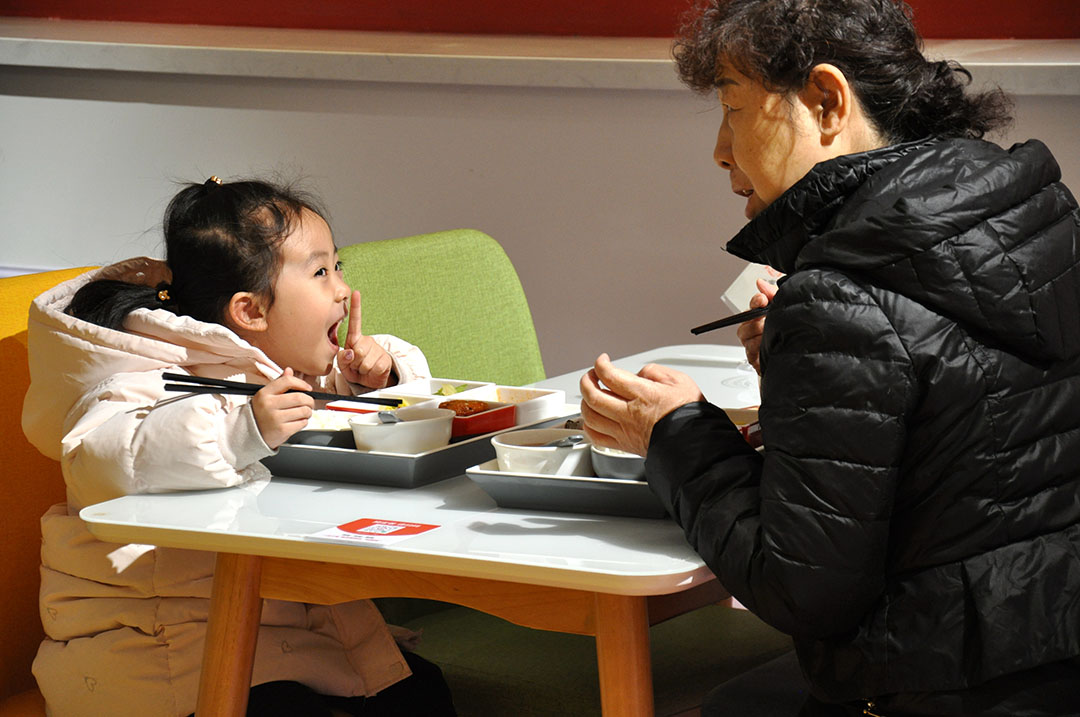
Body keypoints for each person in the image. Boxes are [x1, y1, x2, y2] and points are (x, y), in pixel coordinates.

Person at [579, 1, 1080, 715]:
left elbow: (801, 590)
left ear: (826, 102)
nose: (721, 150)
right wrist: (804, 373)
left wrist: (674, 432)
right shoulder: (1032, 214)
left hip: (936, 681)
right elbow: (974, 414)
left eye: (733, 108)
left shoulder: (839, 296)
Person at [22, 177, 456, 716]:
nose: (342, 289)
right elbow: (107, 457)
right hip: (162, 651)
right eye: (320, 273)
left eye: (338, 266)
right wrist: (239, 432)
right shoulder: (142, 373)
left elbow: (334, 407)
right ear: (250, 312)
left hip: (276, 626)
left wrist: (377, 381)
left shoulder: (279, 369)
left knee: (421, 692)